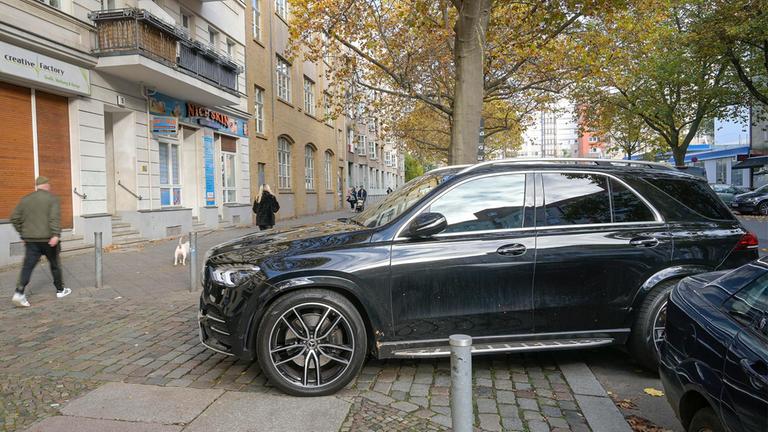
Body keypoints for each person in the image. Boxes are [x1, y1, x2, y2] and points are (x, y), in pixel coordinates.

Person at [11, 176, 71, 308]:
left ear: (37, 186)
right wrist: (56, 234)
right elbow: (54, 218)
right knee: (55, 264)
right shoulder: (52, 199)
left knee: (27, 266)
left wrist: (23, 235)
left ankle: (19, 292)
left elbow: (14, 218)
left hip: (31, 241)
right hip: (49, 240)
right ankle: (60, 290)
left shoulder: (25, 200)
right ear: (47, 185)